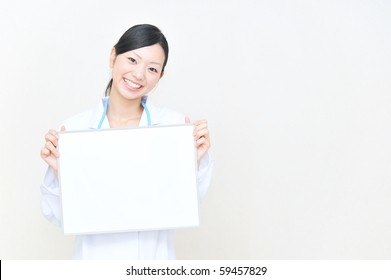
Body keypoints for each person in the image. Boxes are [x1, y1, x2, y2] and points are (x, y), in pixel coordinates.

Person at [39, 24, 213, 259]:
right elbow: (57, 216)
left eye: (152, 68)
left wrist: (193, 161)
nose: (139, 74)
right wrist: (60, 171)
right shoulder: (73, 130)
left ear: (160, 76)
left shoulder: (175, 127)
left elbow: (185, 206)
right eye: (132, 60)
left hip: (154, 262)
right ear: (113, 57)